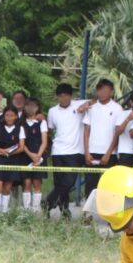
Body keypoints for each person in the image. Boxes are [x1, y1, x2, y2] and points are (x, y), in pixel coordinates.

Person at [44, 83, 88, 217]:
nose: (64, 99)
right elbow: (50, 129)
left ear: (71, 96)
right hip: (58, 151)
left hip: (75, 151)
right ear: (57, 97)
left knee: (69, 181)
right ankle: (64, 210)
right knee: (59, 183)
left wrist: (85, 106)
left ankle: (48, 202)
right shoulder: (52, 111)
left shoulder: (78, 104)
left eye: (66, 96)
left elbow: (97, 99)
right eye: (61, 96)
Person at [81, 79, 126, 193]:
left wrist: (108, 153)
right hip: (91, 153)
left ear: (111, 92)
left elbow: (117, 133)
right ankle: (90, 211)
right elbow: (86, 131)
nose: (102, 93)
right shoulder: (91, 108)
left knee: (109, 187)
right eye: (100, 90)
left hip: (109, 154)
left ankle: (107, 211)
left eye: (105, 90)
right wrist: (86, 153)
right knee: (90, 186)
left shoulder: (117, 108)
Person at [0, 105, 25, 213]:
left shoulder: (20, 128)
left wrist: (9, 153)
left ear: (16, 117)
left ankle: (3, 213)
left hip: (13, 160)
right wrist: (0, 150)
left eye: (12, 115)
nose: (9, 118)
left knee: (7, 188)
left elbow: (22, 147)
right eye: (7, 115)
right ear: (4, 116)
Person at [21, 97, 48, 212]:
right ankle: (27, 211)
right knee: (26, 183)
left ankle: (36, 210)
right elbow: (21, 142)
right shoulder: (21, 122)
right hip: (25, 155)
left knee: (37, 183)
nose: (31, 108)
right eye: (28, 105)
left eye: (34, 106)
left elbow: (44, 141)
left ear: (37, 108)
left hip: (39, 157)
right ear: (24, 107)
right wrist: (30, 154)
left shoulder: (42, 122)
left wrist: (38, 156)